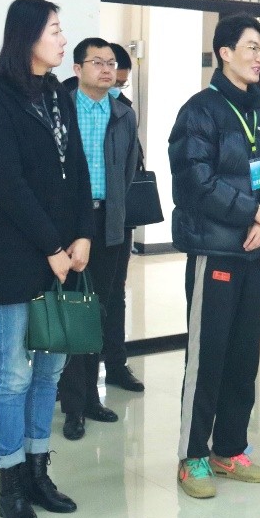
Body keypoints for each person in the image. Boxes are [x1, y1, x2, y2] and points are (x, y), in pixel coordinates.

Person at [0, 0, 92, 518]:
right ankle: (12, 482)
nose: (63, 39)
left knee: (50, 372)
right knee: (14, 376)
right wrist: (52, 247)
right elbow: (9, 184)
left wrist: (83, 236)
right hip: (18, 257)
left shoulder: (57, 93)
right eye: (55, 30)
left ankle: (40, 471)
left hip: (65, 255)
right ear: (27, 36)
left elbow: (79, 169)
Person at [168, 14, 260, 498]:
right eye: (252, 47)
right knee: (208, 356)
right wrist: (253, 212)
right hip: (214, 250)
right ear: (225, 52)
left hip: (252, 254)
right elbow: (196, 182)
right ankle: (192, 455)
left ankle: (229, 449)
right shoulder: (199, 111)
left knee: (244, 355)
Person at [56, 39, 139, 441]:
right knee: (72, 313)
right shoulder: (60, 108)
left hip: (109, 221)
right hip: (68, 220)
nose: (107, 69)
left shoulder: (123, 113)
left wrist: (115, 211)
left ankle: (91, 396)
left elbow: (128, 171)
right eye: (97, 62)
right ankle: (72, 406)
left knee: (99, 311)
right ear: (77, 68)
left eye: (111, 63)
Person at [102, 41, 146, 393]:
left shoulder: (125, 111)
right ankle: (71, 380)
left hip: (120, 216)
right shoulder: (70, 104)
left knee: (116, 293)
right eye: (114, 80)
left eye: (122, 82)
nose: (117, 87)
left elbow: (133, 162)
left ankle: (116, 364)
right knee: (83, 298)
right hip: (84, 219)